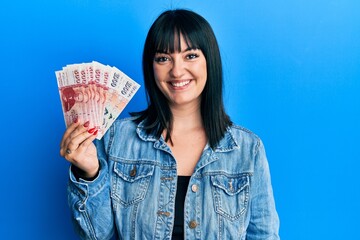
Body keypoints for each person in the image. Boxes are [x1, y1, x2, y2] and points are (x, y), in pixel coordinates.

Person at [60, 9, 280, 239]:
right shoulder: (118, 138)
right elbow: (97, 236)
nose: (176, 70)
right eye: (163, 58)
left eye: (190, 56)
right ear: (151, 66)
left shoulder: (247, 149)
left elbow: (264, 235)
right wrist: (89, 173)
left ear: (209, 61)